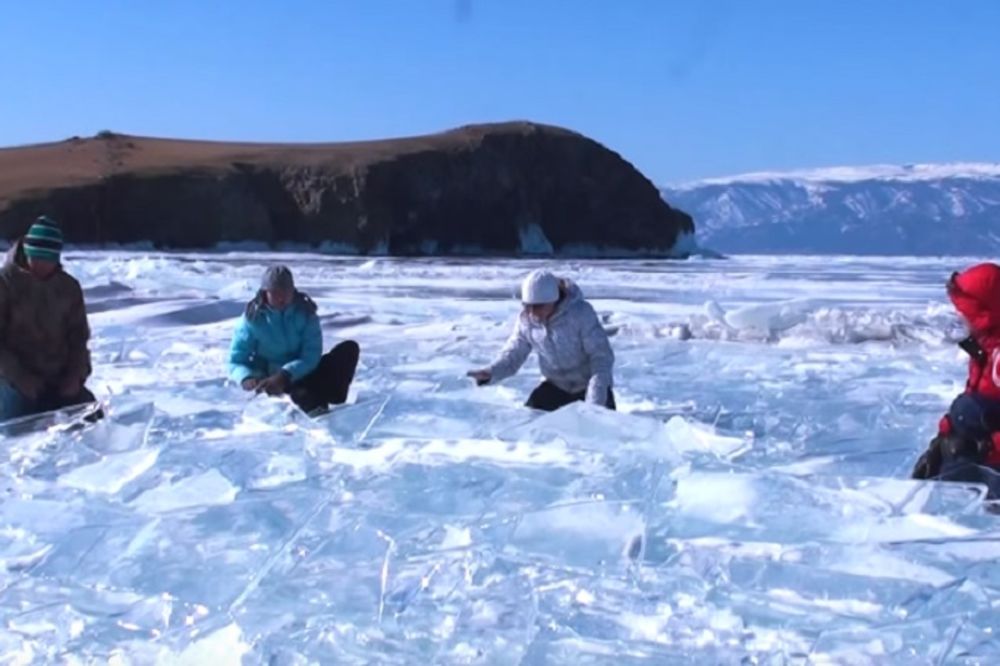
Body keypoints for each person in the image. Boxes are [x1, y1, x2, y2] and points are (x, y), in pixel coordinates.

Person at [467, 269, 615, 411]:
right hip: (556, 387)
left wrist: (595, 403)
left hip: (591, 386)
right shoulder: (526, 321)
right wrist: (491, 372)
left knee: (601, 432)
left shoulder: (580, 315)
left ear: (553, 301)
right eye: (527, 306)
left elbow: (601, 358)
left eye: (538, 307)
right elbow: (513, 354)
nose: (532, 313)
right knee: (528, 423)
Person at [912, 263, 1000, 497]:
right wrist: (942, 440)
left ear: (984, 313)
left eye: (967, 312)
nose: (962, 318)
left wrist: (985, 447)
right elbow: (973, 403)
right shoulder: (985, 349)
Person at [0, 216, 97, 421]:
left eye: (48, 260)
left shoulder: (68, 288)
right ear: (26, 252)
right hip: (11, 380)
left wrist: (75, 376)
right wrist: (20, 378)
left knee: (92, 417)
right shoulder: (5, 285)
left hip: (57, 379)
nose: (42, 265)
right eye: (37, 258)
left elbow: (78, 339)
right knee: (20, 425)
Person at [228, 265, 360, 414]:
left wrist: (286, 374)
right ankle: (312, 403)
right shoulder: (252, 319)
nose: (282, 298)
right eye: (276, 293)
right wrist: (246, 378)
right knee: (302, 397)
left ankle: (329, 396)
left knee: (348, 349)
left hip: (303, 372)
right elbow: (237, 359)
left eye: (286, 292)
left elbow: (311, 355)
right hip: (272, 383)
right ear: (265, 293)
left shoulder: (306, 313)